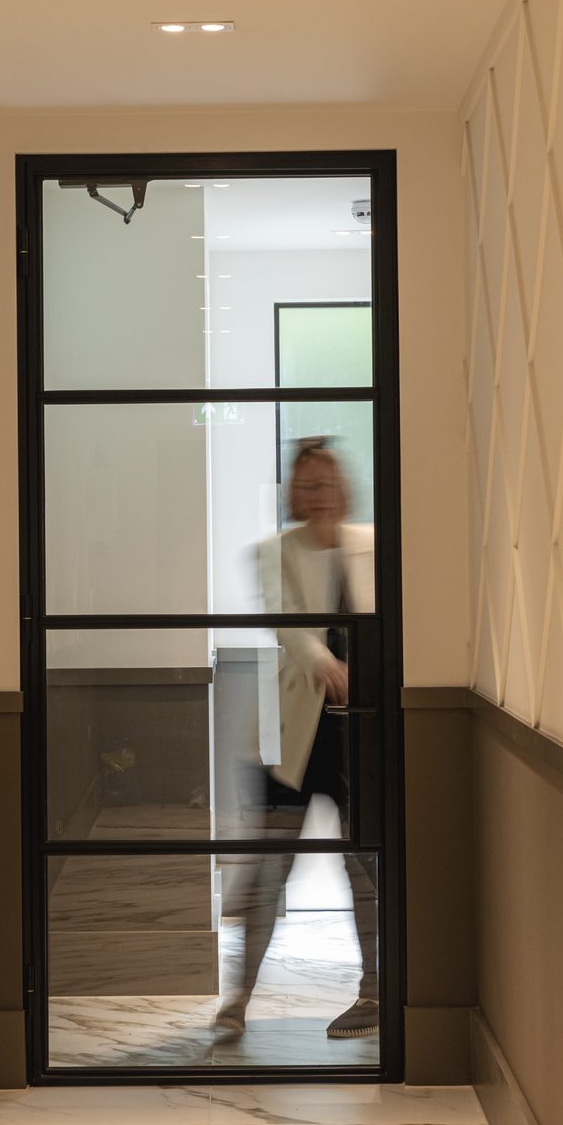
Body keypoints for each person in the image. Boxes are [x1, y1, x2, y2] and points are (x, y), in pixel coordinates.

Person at [215, 438, 378, 1040]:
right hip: (296, 741)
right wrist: (322, 660)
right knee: (269, 871)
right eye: (306, 485)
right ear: (291, 492)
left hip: (361, 735)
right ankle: (236, 1001)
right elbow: (287, 621)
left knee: (367, 869)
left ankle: (374, 995)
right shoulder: (271, 553)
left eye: (326, 483)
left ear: (344, 486)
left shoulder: (373, 546)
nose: (317, 496)